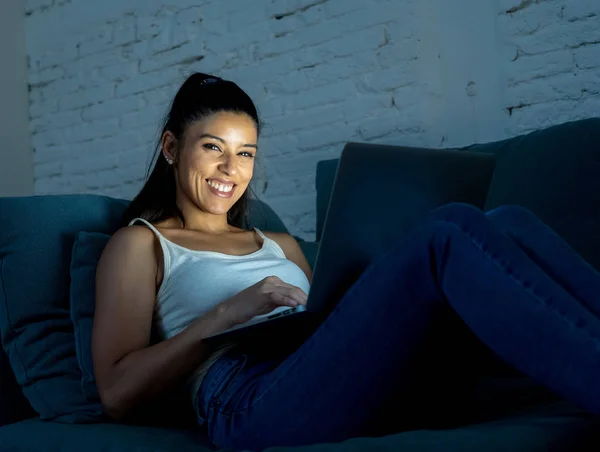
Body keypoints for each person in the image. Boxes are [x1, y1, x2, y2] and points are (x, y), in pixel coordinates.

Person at [92, 72, 600, 450]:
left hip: (326, 373)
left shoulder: (281, 245)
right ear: (171, 148)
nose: (231, 168)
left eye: (246, 153)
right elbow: (116, 393)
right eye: (212, 147)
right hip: (248, 395)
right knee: (449, 229)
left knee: (508, 220)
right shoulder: (143, 244)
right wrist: (227, 314)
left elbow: (331, 331)